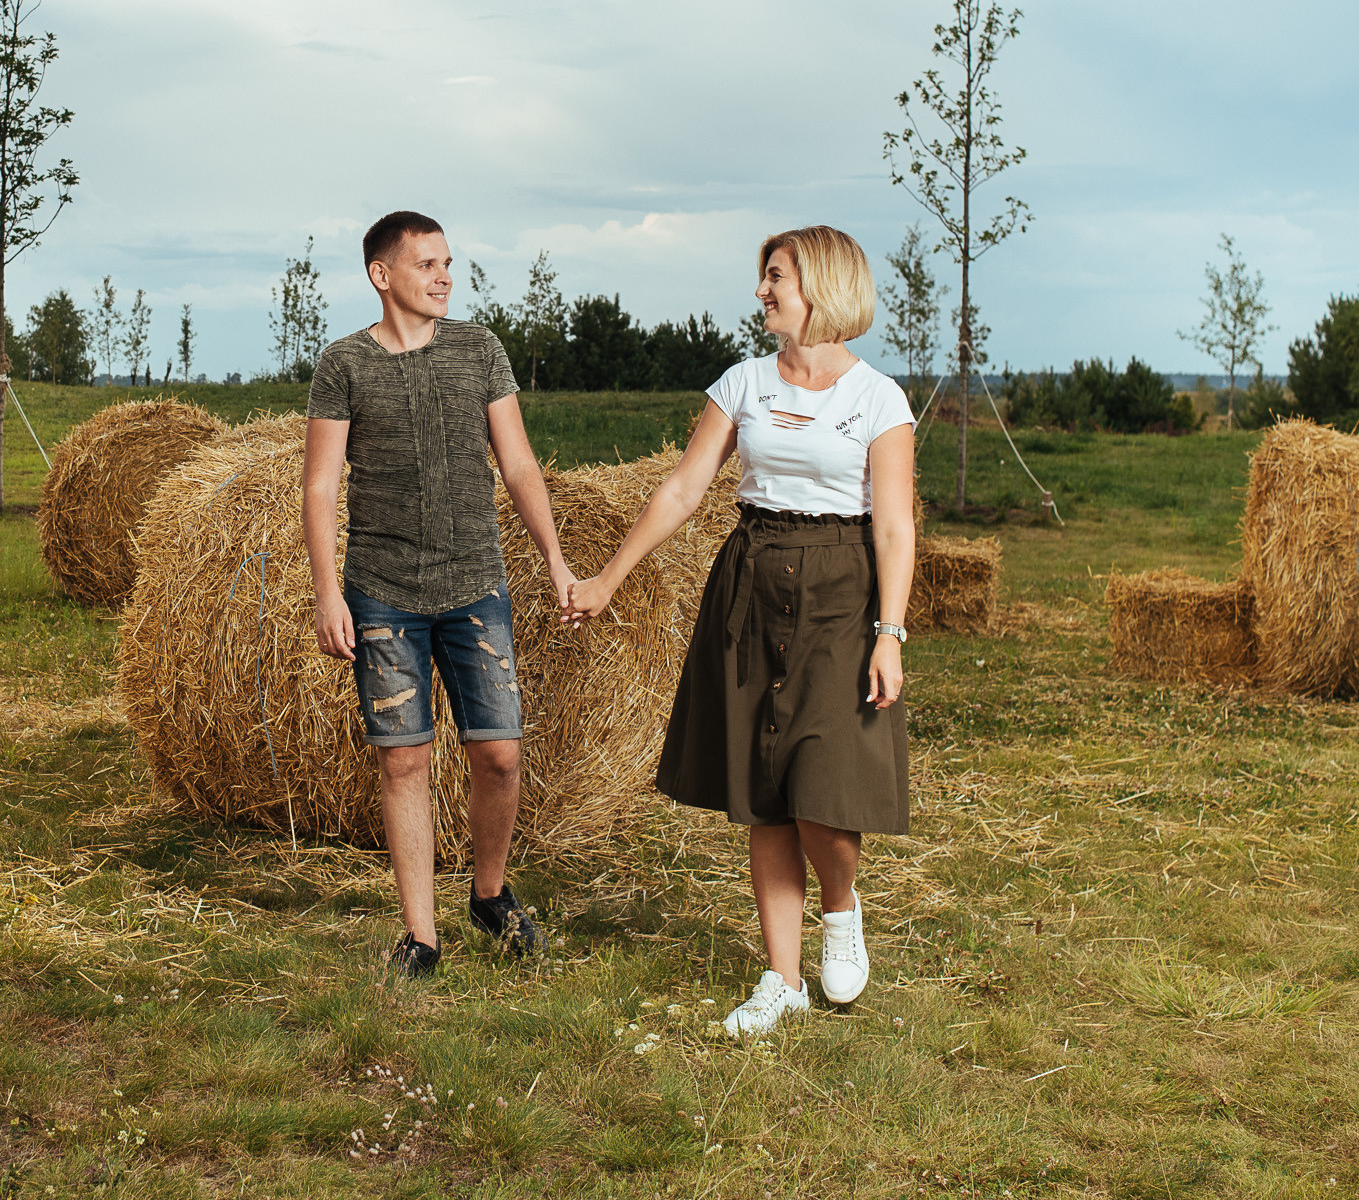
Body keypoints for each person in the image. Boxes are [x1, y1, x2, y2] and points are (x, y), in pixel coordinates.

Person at [564, 225, 915, 1030]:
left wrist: (889, 630)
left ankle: (841, 906)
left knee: (823, 781)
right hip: (751, 580)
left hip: (841, 587)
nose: (761, 290)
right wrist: (609, 580)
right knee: (763, 788)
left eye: (775, 276)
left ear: (819, 286)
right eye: (763, 276)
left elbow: (895, 527)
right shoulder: (743, 383)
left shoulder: (878, 399)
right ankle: (783, 980)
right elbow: (684, 489)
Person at [305, 211, 578, 978]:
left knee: (499, 753)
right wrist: (329, 594)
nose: (444, 276)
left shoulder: (479, 350)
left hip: (473, 585)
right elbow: (320, 487)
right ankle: (420, 936)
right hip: (382, 593)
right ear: (381, 274)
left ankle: (488, 894)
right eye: (427, 264)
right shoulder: (344, 364)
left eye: (448, 262)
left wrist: (554, 557)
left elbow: (519, 464)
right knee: (405, 763)